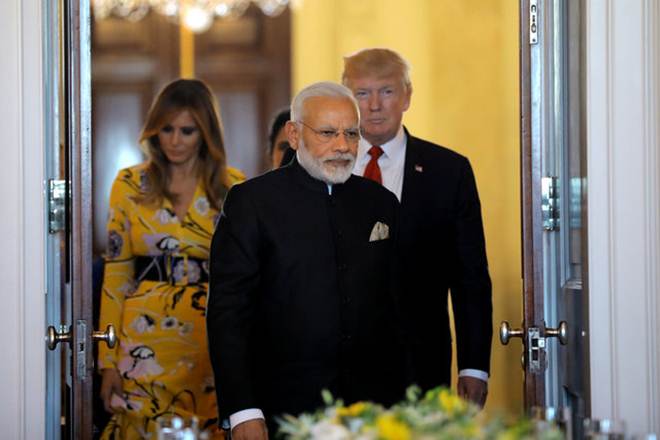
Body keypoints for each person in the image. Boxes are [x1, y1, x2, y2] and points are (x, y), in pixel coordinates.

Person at [207, 81, 407, 440]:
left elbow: (396, 309)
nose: (343, 146)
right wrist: (242, 411)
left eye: (351, 133)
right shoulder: (252, 203)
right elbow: (228, 313)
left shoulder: (380, 202)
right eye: (328, 133)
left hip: (373, 409)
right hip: (280, 408)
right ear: (294, 135)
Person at [342, 48, 493, 407]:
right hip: (336, 365)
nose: (375, 105)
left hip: (420, 364)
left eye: (387, 91)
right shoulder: (323, 165)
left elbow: (470, 275)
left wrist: (474, 367)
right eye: (362, 93)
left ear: (407, 96)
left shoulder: (448, 171)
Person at [97, 78, 245, 439]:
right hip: (142, 337)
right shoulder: (130, 184)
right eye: (166, 129)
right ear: (154, 131)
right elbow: (115, 274)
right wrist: (107, 361)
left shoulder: (233, 187)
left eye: (187, 130)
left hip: (207, 337)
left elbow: (245, 278)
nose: (175, 140)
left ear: (205, 133)